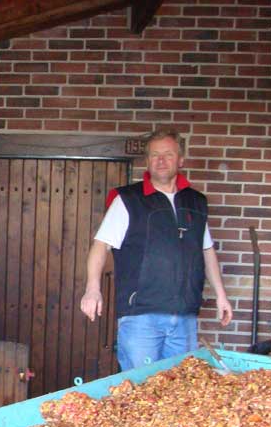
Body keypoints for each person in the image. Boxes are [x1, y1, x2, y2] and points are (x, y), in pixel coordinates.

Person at [80, 129, 233, 371]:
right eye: (154, 155)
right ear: (147, 161)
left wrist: (221, 295)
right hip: (141, 316)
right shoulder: (129, 199)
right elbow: (101, 245)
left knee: (180, 389)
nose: (161, 160)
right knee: (141, 387)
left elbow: (207, 251)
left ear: (180, 160)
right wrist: (92, 289)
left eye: (168, 154)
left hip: (185, 316)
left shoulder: (196, 202)